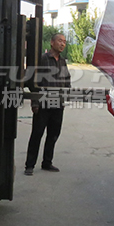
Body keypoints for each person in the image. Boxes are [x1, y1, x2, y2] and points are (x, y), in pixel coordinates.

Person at [24, 33, 71, 175]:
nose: (62, 44)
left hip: (58, 105)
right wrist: (35, 102)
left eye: (64, 42)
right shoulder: (43, 60)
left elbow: (67, 80)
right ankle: (29, 165)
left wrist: (65, 96)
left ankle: (47, 163)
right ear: (52, 42)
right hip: (43, 104)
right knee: (37, 134)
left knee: (53, 135)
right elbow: (34, 82)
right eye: (59, 41)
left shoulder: (62, 61)